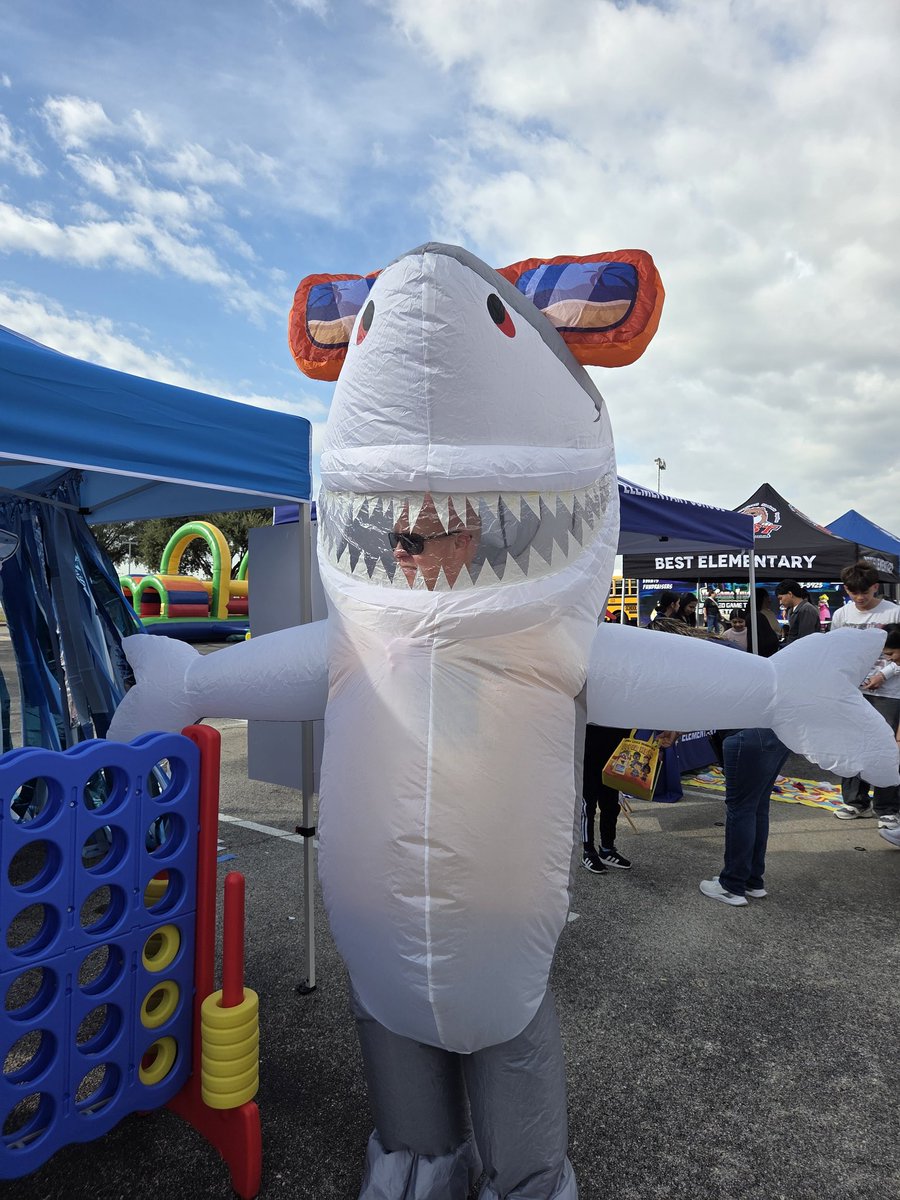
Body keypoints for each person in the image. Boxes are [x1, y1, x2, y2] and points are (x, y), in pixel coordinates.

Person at [829, 561, 900, 824]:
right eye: (852, 592)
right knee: (851, 745)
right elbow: (834, 651)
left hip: (889, 693)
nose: (859, 598)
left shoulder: (894, 614)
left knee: (884, 748)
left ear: (875, 587)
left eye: (865, 593)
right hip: (852, 692)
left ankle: (888, 807)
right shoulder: (841, 615)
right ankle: (856, 802)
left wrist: (885, 674)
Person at [700, 727, 789, 905]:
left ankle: (732, 885)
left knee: (742, 809)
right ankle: (752, 880)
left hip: (744, 735)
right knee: (758, 806)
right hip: (779, 735)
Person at [580, 726, 678, 873]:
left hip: (617, 750)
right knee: (588, 805)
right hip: (588, 747)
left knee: (611, 803)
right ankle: (588, 851)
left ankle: (607, 849)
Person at [390, 495, 479, 589]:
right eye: (395, 539)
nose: (397, 552)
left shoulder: (490, 598)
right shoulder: (381, 598)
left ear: (460, 542)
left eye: (412, 542)